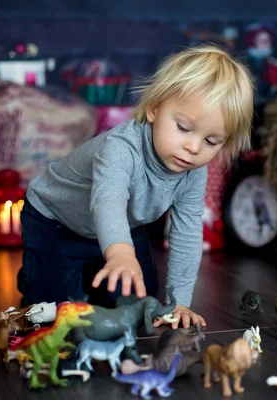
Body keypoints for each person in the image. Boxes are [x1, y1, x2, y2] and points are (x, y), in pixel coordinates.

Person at [16, 45, 254, 329]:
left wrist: (179, 302)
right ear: (154, 109)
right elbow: (108, 200)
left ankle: (98, 273)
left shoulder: (194, 170)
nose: (193, 147)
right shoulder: (120, 147)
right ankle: (36, 275)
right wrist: (120, 253)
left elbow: (187, 230)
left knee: (142, 299)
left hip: (121, 227)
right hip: (56, 222)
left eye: (212, 141)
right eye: (183, 127)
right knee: (54, 312)